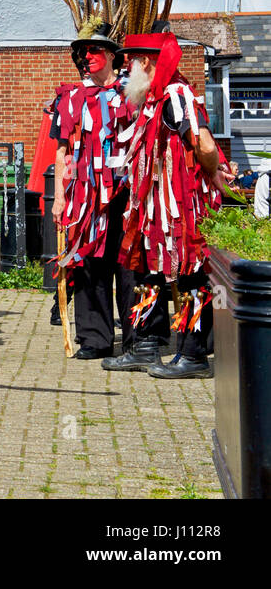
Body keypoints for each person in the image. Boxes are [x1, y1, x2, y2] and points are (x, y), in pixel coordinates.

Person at [106, 27, 234, 379]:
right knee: (145, 269)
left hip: (180, 203)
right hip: (152, 206)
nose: (126, 69)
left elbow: (205, 145)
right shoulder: (154, 97)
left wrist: (212, 175)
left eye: (130, 62)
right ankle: (146, 345)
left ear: (146, 62)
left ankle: (193, 354)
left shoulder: (177, 95)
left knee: (189, 271)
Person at [47, 12, 134, 361]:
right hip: (83, 197)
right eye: (83, 51)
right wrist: (57, 198)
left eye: (95, 49)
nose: (87, 57)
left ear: (112, 54)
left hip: (126, 194)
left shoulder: (132, 91)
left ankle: (136, 339)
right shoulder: (69, 99)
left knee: (128, 265)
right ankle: (95, 339)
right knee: (89, 263)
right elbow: (62, 151)